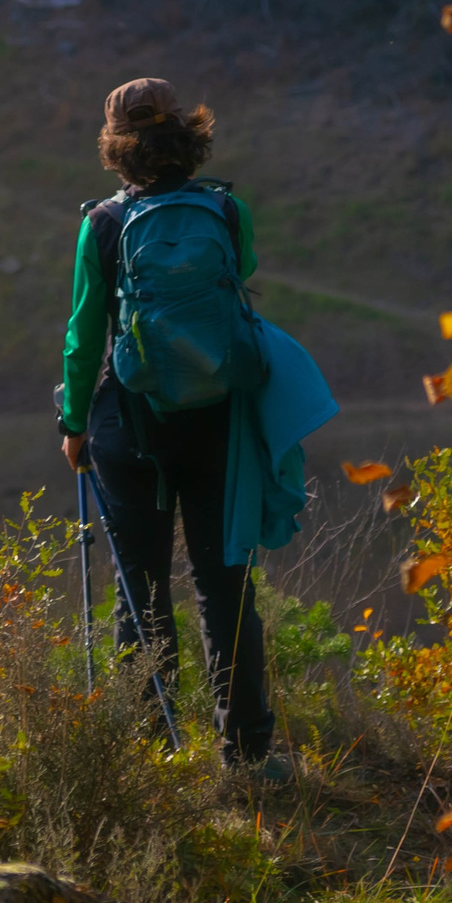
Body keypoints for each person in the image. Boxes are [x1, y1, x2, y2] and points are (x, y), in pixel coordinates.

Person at [58, 77, 276, 765]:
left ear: (117, 147)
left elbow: (84, 334)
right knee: (225, 585)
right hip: (217, 421)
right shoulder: (227, 210)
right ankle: (245, 752)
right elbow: (242, 272)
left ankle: (153, 756)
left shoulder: (102, 225)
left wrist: (73, 422)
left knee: (139, 589)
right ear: (188, 135)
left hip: (131, 426)